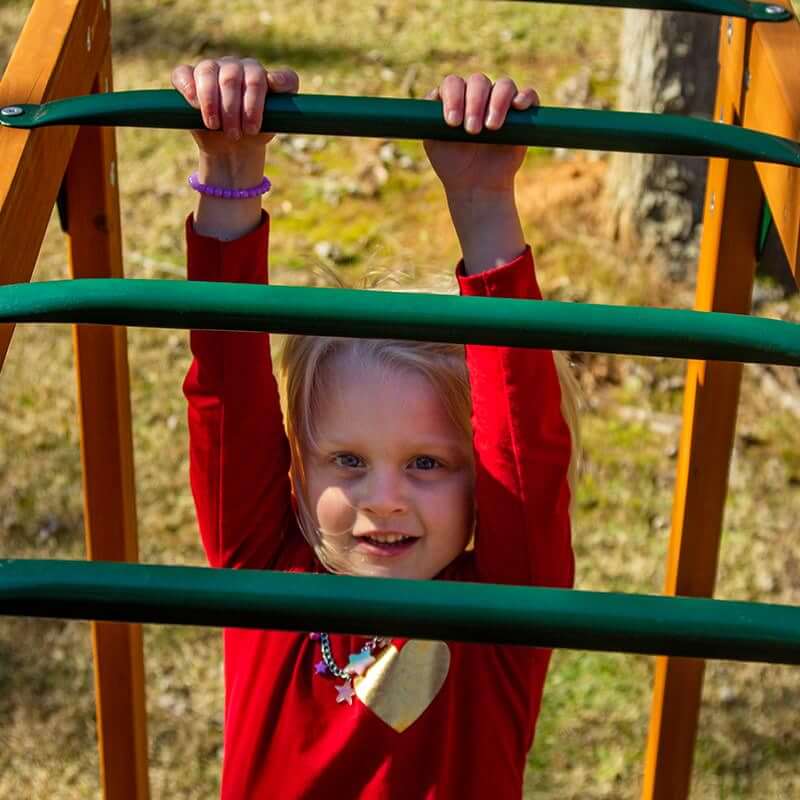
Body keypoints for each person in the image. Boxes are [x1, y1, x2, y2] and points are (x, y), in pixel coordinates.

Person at [174, 56, 579, 799]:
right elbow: (224, 393)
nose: (382, 498)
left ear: (480, 482)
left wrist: (484, 201)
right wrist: (230, 173)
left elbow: (527, 449)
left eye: (426, 463)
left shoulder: (507, 612)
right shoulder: (264, 577)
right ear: (296, 472)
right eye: (348, 461)